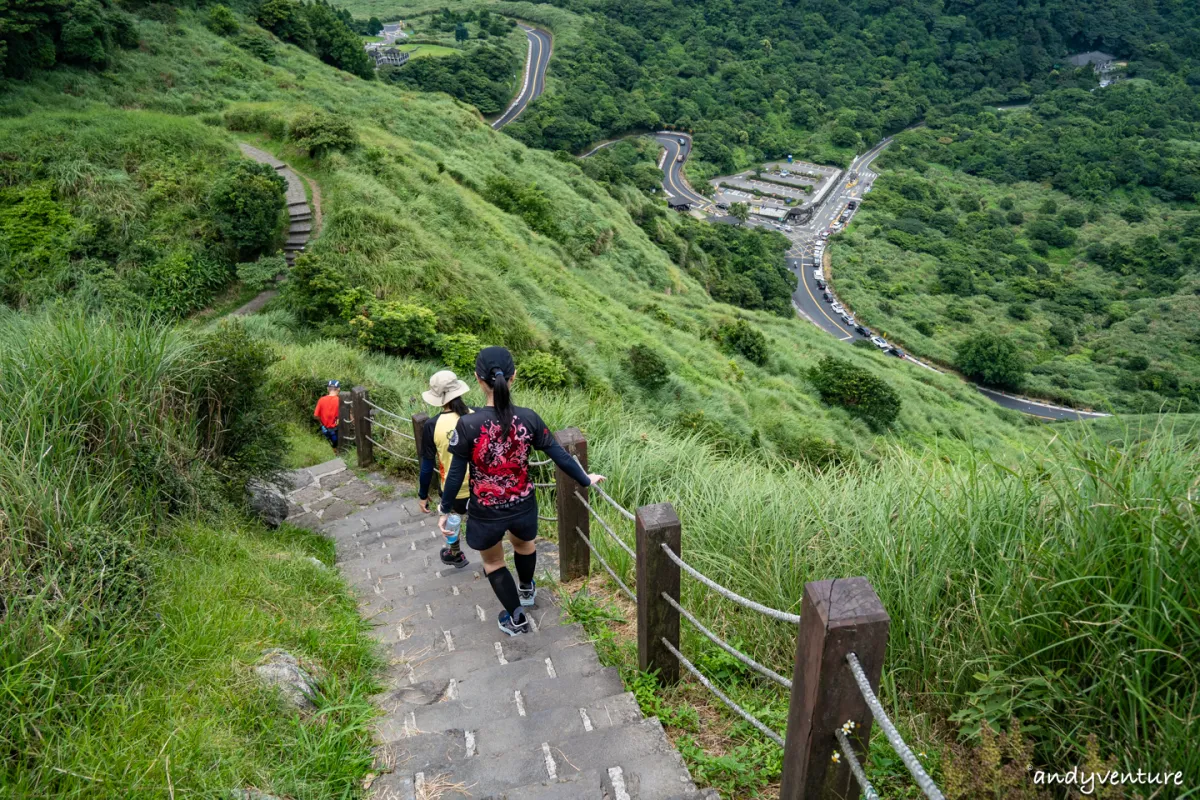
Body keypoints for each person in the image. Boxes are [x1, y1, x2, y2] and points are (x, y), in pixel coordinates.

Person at [438, 347, 605, 636]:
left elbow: (455, 473)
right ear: (513, 377)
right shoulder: (529, 418)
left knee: (493, 562)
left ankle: (516, 618)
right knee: (525, 545)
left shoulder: (467, 424)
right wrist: (585, 479)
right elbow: (560, 455)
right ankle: (527, 589)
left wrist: (445, 509)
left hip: (487, 509)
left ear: (478, 380)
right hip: (522, 504)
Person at [417, 370, 474, 569]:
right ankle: (493, 559)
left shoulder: (433, 425)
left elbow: (427, 466)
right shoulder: (477, 414)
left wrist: (423, 494)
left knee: (453, 518)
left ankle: (455, 553)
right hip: (483, 484)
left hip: (453, 487)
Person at [313, 380, 341, 449]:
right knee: (338, 448)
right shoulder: (340, 400)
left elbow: (316, 416)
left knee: (333, 448)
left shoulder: (321, 400)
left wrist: (322, 424)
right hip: (338, 430)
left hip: (326, 431)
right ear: (338, 389)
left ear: (328, 389)